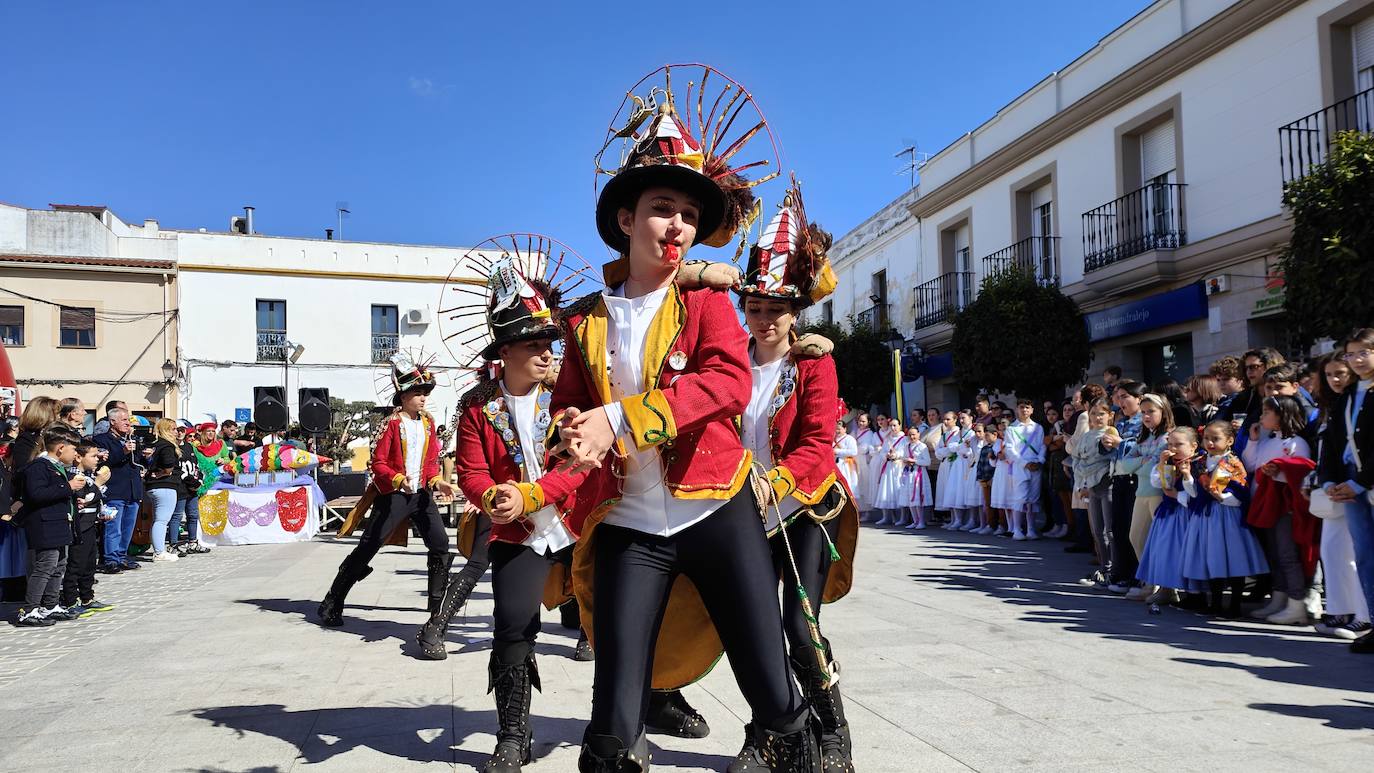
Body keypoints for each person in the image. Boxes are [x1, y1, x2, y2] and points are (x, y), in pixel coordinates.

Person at [530, 67, 818, 769]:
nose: (680, 227)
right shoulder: (584, 322)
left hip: (717, 510)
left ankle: (802, 742)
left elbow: (725, 382)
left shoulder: (708, 304)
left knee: (771, 687)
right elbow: (568, 406)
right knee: (612, 718)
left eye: (690, 216)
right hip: (630, 525)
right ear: (626, 219)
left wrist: (619, 421)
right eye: (664, 209)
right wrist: (569, 435)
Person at [435, 253, 596, 770]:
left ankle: (638, 713)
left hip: (582, 524)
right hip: (519, 534)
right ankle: (512, 733)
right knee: (512, 629)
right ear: (504, 352)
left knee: (619, 625)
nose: (546, 353)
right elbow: (472, 472)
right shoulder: (476, 407)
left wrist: (534, 493)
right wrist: (491, 499)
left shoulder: (567, 398)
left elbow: (584, 464)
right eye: (534, 345)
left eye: (549, 343)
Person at [731, 199, 859, 768]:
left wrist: (778, 478)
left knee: (798, 628)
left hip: (806, 505)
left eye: (776, 307)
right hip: (744, 512)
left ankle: (833, 733)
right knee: (754, 632)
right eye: (755, 306)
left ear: (795, 308)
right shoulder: (728, 362)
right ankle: (770, 732)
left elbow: (815, 445)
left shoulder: (813, 365)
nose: (765, 318)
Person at [318, 353, 457, 627]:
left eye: (425, 394)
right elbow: (377, 463)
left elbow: (431, 462)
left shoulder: (428, 423)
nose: (423, 399)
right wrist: (397, 480)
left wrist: (438, 480)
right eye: (417, 393)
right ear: (403, 395)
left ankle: (435, 604)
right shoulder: (391, 423)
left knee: (440, 544)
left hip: (421, 496)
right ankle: (333, 600)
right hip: (393, 496)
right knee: (369, 546)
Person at [1317, 329, 1374, 653]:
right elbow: (1334, 444)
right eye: (1352, 354)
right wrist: (1329, 481)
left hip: (1366, 479)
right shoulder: (1348, 395)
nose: (1357, 360)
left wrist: (1360, 481)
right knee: (1365, 555)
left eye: (1364, 352)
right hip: (1350, 482)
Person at [1180, 421, 1269, 617]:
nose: (1210, 443)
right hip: (1205, 517)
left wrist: (1222, 498)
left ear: (1230, 440)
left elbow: (1241, 493)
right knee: (1212, 559)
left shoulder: (1233, 463)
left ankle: (1235, 604)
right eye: (1207, 438)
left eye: (1216, 439)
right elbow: (1194, 493)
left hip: (1228, 517)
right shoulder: (1200, 462)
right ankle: (1216, 602)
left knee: (1233, 558)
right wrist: (1187, 477)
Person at [1243, 395, 1315, 626]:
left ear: (1282, 415)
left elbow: (1302, 472)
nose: (1262, 417)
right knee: (1273, 553)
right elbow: (1251, 465)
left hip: (1285, 507)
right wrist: (1253, 441)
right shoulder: (1267, 441)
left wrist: (1279, 471)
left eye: (1266, 412)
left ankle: (1296, 603)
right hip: (1266, 505)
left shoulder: (1297, 443)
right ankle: (1279, 596)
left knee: (1287, 554)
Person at [14, 426, 84, 626]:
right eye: (73, 450)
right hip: (45, 524)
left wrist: (71, 496)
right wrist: (67, 487)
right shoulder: (39, 467)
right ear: (61, 448)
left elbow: (54, 493)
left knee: (59, 565)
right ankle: (29, 609)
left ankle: (50, 605)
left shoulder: (56, 466)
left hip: (60, 523)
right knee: (45, 566)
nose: (76, 455)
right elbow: (36, 494)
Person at [1135, 426, 1201, 606]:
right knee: (1164, 549)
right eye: (1170, 444)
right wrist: (1162, 464)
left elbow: (1195, 492)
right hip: (1169, 513)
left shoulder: (1197, 463)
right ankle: (1166, 589)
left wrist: (1178, 494)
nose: (1173, 448)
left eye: (1178, 444)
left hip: (1186, 514)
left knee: (1184, 551)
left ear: (1193, 446)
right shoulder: (1170, 462)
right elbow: (1157, 482)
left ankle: (1193, 591)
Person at [1119, 394, 1174, 599]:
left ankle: (1165, 587)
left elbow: (1152, 468)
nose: (1146, 416)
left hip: (1159, 494)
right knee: (1136, 537)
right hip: (1142, 493)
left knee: (1160, 541)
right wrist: (1146, 461)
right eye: (1143, 412)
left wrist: (1141, 463)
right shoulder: (1145, 437)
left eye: (1151, 411)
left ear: (1163, 412)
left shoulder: (1168, 437)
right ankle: (1150, 581)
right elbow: (1125, 464)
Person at [59, 440, 115, 617]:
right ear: (78, 457)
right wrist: (99, 482)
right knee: (76, 563)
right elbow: (84, 497)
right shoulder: (75, 476)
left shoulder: (88, 476)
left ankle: (87, 597)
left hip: (91, 524)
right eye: (93, 455)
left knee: (90, 563)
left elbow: (94, 498)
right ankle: (70, 600)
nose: (97, 459)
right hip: (79, 526)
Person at [1100, 380, 1145, 593]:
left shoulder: (1142, 422)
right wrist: (1105, 445)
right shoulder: (1120, 422)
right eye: (1118, 397)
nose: (1120, 401)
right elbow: (1110, 452)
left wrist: (1120, 443)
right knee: (1117, 528)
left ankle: (1135, 576)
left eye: (1125, 396)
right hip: (1117, 478)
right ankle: (1120, 573)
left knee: (1132, 529)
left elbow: (1142, 447)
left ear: (1139, 399)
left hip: (1134, 479)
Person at [92, 408, 144, 572]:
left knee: (128, 527)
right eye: (123, 420)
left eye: (128, 420)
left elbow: (139, 462)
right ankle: (111, 559)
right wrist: (124, 451)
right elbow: (105, 463)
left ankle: (122, 556)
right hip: (114, 490)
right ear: (112, 422)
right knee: (113, 527)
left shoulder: (132, 439)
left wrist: (147, 457)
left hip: (132, 491)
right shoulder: (101, 440)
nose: (128, 423)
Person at [1072, 399, 1115, 586]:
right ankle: (1105, 567)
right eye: (1094, 414)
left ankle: (1115, 569)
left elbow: (1109, 458)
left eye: (1101, 414)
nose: (1097, 418)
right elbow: (1077, 459)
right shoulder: (1086, 436)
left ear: (1109, 416)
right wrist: (1081, 484)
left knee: (1110, 530)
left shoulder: (1111, 433)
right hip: (1090, 485)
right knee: (1097, 530)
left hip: (1107, 483)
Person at [1004, 399, 1046, 541]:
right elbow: (1010, 449)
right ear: (1017, 409)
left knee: (1034, 498)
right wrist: (1024, 463)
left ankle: (1031, 529)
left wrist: (1040, 460)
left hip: (1036, 465)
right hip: (1020, 466)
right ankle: (1017, 529)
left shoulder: (1038, 428)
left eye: (1027, 407)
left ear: (1032, 410)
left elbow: (1042, 446)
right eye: (1022, 407)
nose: (1024, 410)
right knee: (1020, 498)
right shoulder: (1011, 429)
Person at [143, 418, 184, 563]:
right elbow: (168, 464)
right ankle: (159, 552)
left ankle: (159, 549)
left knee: (158, 520)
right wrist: (166, 472)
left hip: (154, 486)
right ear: (165, 430)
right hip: (165, 485)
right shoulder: (166, 445)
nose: (176, 432)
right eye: (173, 429)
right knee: (161, 520)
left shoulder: (154, 444)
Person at [852, 413, 883, 520]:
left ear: (868, 422)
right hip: (853, 461)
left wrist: (855, 446)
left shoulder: (870, 434)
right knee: (856, 485)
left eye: (863, 421)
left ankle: (867, 511)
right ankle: (857, 510)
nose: (861, 423)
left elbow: (864, 449)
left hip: (864, 462)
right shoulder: (854, 432)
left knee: (864, 485)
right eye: (860, 421)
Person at [834, 422, 860, 500]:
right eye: (836, 429)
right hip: (836, 465)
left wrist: (838, 451)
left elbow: (854, 451)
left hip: (846, 466)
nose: (837, 431)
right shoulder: (833, 439)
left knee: (848, 485)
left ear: (845, 429)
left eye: (839, 429)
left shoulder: (849, 439)